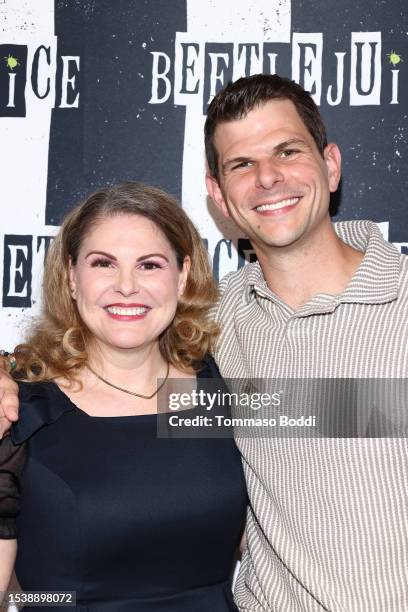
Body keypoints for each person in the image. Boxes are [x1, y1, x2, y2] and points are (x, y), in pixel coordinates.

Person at [2, 74, 408, 611]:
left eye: (287, 151)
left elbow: (355, 411)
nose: (268, 178)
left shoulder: (210, 370)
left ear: (331, 165)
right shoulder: (224, 331)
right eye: (241, 164)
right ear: (217, 193)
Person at [0, 181, 247, 611]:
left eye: (150, 265)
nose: (127, 286)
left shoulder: (224, 382)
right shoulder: (22, 412)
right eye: (104, 264)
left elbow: (376, 418)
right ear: (71, 277)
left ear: (183, 276)